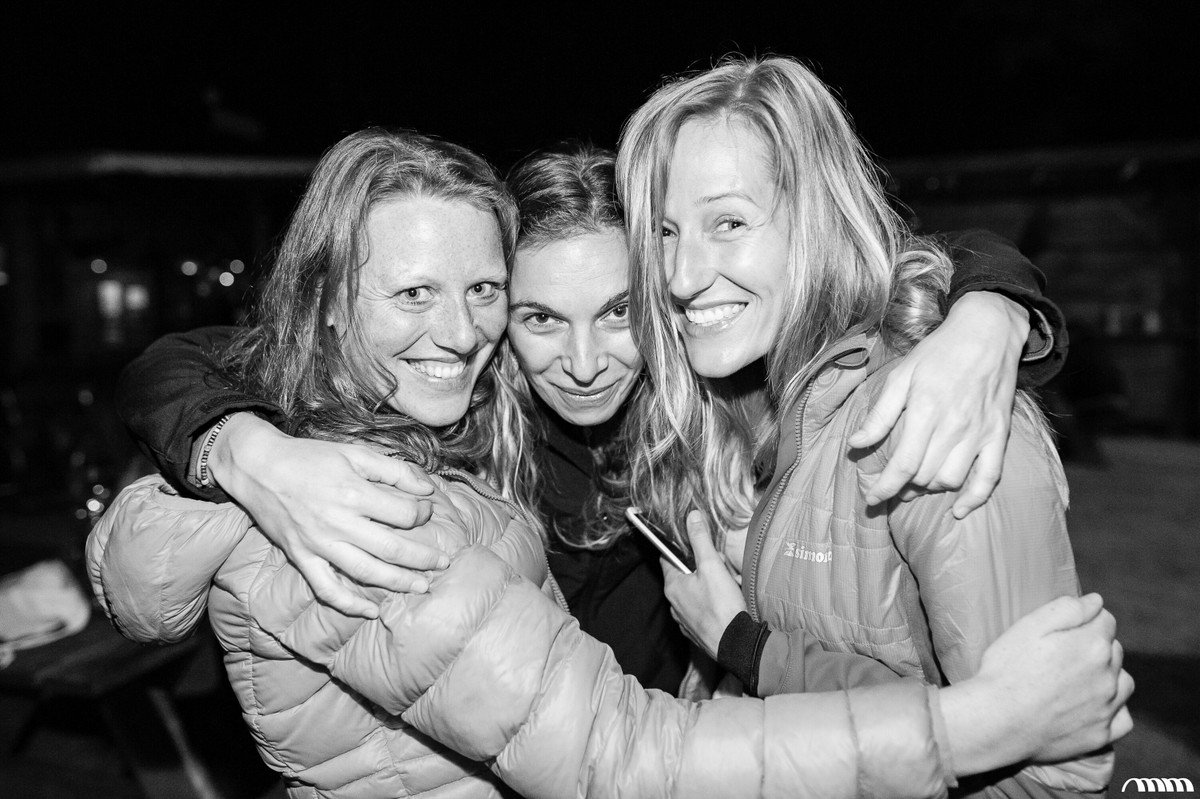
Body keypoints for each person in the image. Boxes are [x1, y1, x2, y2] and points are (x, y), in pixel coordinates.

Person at [87, 127, 1132, 799]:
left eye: (619, 312)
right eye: (540, 315)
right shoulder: (393, 475)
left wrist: (992, 308)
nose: (583, 363)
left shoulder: (706, 408)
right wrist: (244, 447)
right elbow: (197, 360)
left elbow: (847, 268)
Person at [616, 56, 1120, 795]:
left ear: (817, 223)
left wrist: (749, 649)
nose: (681, 276)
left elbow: (1046, 773)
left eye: (729, 222)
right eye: (665, 231)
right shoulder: (732, 411)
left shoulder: (940, 418)